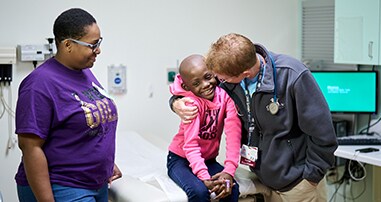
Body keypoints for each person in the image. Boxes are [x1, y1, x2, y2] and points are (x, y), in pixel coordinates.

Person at [170, 33, 338, 202]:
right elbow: (191, 83)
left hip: (298, 184)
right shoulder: (229, 76)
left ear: (246, 73)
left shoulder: (292, 76)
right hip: (263, 179)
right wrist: (176, 101)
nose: (217, 81)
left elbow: (323, 134)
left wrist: (311, 176)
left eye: (222, 78)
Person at [15, 8, 121, 202]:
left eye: (99, 42)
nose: (98, 50)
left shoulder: (84, 73)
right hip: (63, 186)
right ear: (68, 45)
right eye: (92, 44)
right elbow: (30, 148)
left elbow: (90, 124)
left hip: (95, 182)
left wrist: (105, 163)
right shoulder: (39, 84)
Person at [167, 54, 242, 202]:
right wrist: (204, 177)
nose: (205, 84)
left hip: (208, 159)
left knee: (230, 187)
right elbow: (190, 145)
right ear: (186, 87)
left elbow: (234, 136)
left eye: (208, 77)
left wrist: (229, 171)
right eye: (196, 83)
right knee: (199, 192)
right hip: (180, 160)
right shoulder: (191, 105)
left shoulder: (226, 98)